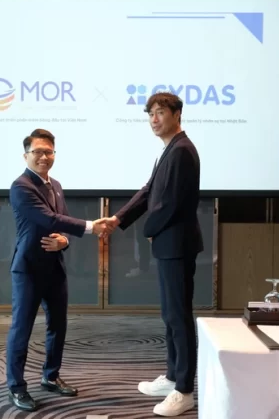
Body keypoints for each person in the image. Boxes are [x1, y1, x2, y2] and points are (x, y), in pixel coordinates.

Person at [103, 92, 202, 417]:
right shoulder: (169, 150)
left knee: (179, 316)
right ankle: (173, 376)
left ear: (177, 114)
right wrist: (119, 219)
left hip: (176, 245)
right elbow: (149, 191)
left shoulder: (182, 150)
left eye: (160, 112)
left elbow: (170, 204)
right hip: (169, 244)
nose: (154, 119)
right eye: (150, 114)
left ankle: (184, 390)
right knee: (170, 315)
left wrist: (148, 230)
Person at [6, 128, 111, 412]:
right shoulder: (21, 186)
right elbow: (48, 218)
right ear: (26, 155)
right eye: (37, 152)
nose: (43, 157)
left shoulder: (56, 185)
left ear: (54, 154)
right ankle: (16, 387)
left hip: (54, 267)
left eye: (48, 152)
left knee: (58, 325)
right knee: (21, 329)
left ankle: (50, 376)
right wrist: (90, 227)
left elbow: (60, 222)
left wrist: (64, 241)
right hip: (28, 269)